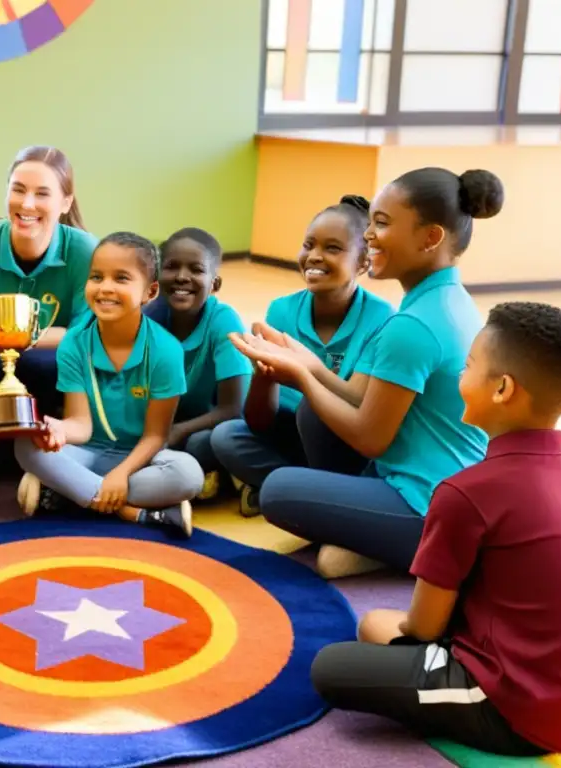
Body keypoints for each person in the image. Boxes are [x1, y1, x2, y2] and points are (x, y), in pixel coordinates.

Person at [311, 302, 561, 757]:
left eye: (467, 366)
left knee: (338, 661)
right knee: (382, 626)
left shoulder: (466, 492)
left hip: (518, 709)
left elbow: (422, 626)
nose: (461, 376)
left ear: (501, 389)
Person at [232, 168, 503, 578]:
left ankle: (412, 545)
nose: (370, 235)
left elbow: (370, 437)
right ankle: (367, 534)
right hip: (429, 484)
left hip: (427, 500)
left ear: (430, 238)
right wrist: (309, 364)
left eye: (381, 223)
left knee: (278, 490)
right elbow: (360, 398)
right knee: (312, 415)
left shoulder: (413, 326)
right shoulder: (442, 300)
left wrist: (303, 377)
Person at [211, 196, 394, 516]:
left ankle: (290, 490)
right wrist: (263, 375)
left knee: (313, 409)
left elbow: (364, 412)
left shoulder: (382, 320)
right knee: (225, 436)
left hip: (345, 445)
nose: (315, 256)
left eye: (333, 248)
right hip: (290, 437)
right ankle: (294, 488)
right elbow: (259, 421)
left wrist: (303, 375)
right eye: (309, 244)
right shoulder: (281, 310)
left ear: (363, 263)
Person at [14, 232, 205, 539]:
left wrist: (121, 473)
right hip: (87, 450)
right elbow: (81, 425)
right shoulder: (74, 343)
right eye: (96, 277)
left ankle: (69, 491)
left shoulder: (166, 351)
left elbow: (156, 436)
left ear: (150, 291)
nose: (105, 288)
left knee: (188, 475)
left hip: (142, 458)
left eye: (121, 278)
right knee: (26, 446)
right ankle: (129, 510)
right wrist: (58, 429)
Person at [0, 146, 98, 417]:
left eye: (42, 193)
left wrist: (5, 337)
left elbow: (83, 337)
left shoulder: (87, 253)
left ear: (65, 202)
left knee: (49, 362)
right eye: (18, 190)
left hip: (59, 376)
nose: (27, 203)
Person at [143, 227, 250, 501]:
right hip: (168, 423)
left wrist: (177, 431)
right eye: (171, 267)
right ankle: (207, 479)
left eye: (196, 269)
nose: (181, 276)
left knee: (203, 442)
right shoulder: (148, 321)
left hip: (214, 425)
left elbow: (233, 409)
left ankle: (223, 474)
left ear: (215, 284)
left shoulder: (224, 322)